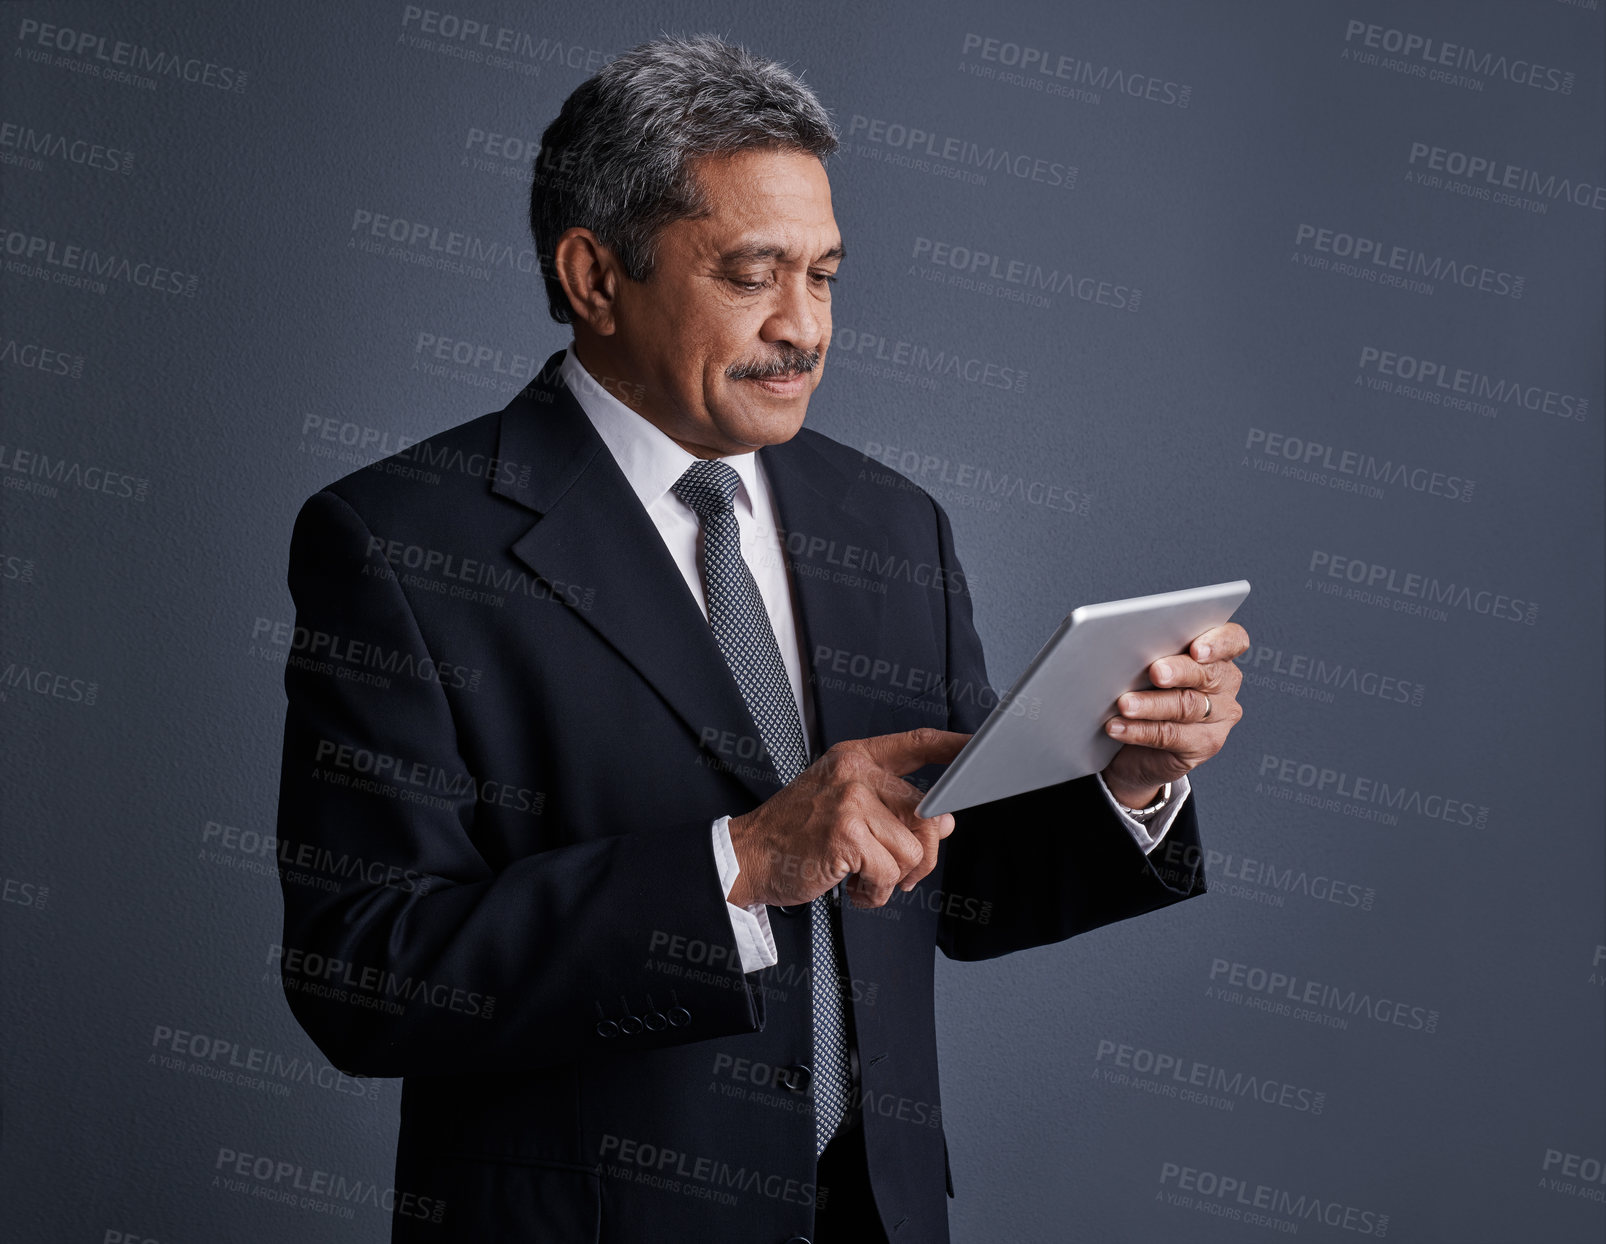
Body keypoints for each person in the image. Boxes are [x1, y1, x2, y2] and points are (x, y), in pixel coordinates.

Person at [274, 35, 1248, 1244]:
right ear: (593, 276)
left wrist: (1131, 783)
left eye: (826, 275)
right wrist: (733, 862)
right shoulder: (400, 541)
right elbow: (361, 973)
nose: (805, 328)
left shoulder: (890, 523)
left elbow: (965, 880)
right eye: (752, 274)